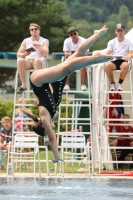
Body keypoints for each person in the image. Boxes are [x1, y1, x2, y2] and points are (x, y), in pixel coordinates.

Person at [19, 25, 111, 163]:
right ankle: (97, 35)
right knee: (77, 54)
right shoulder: (52, 114)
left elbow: (51, 138)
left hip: (38, 81)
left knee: (68, 67)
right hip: (51, 80)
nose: (51, 129)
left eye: (48, 129)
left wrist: (56, 157)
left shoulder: (44, 116)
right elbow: (53, 117)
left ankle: (97, 57)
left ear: (44, 126)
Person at [16, 23, 49, 92]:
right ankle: (24, 85)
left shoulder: (44, 41)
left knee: (37, 60)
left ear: (39, 31)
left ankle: (36, 85)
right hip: (28, 60)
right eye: (32, 29)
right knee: (20, 60)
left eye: (35, 29)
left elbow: (45, 54)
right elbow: (19, 53)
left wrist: (39, 45)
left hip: (39, 61)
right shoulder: (26, 41)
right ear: (30, 32)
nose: (34, 30)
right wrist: (25, 54)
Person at [104, 23, 133, 91]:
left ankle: (120, 83)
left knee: (125, 65)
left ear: (124, 31)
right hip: (114, 61)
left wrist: (129, 55)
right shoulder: (111, 42)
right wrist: (108, 55)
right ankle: (112, 84)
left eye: (121, 30)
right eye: (118, 30)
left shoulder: (129, 42)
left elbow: (131, 53)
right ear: (116, 31)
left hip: (123, 60)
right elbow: (107, 52)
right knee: (107, 65)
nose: (120, 32)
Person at [63, 27, 89, 91]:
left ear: (78, 33)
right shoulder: (67, 41)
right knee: (66, 65)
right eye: (71, 34)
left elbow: (86, 52)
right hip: (71, 59)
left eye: (74, 33)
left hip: (80, 59)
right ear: (69, 36)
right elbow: (65, 52)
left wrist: (77, 55)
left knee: (83, 66)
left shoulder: (83, 40)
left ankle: (83, 84)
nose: (73, 35)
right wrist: (72, 55)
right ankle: (66, 84)